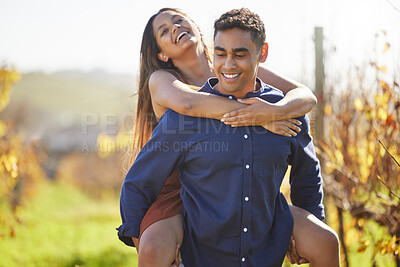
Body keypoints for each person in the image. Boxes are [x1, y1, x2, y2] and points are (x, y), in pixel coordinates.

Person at [119, 7, 340, 267]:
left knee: (324, 239)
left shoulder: (233, 64)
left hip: (240, 184)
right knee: (154, 245)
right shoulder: (165, 83)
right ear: (161, 53)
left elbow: (304, 95)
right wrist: (260, 117)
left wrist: (275, 110)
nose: (175, 28)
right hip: (178, 189)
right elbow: (188, 104)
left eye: (179, 21)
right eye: (164, 31)